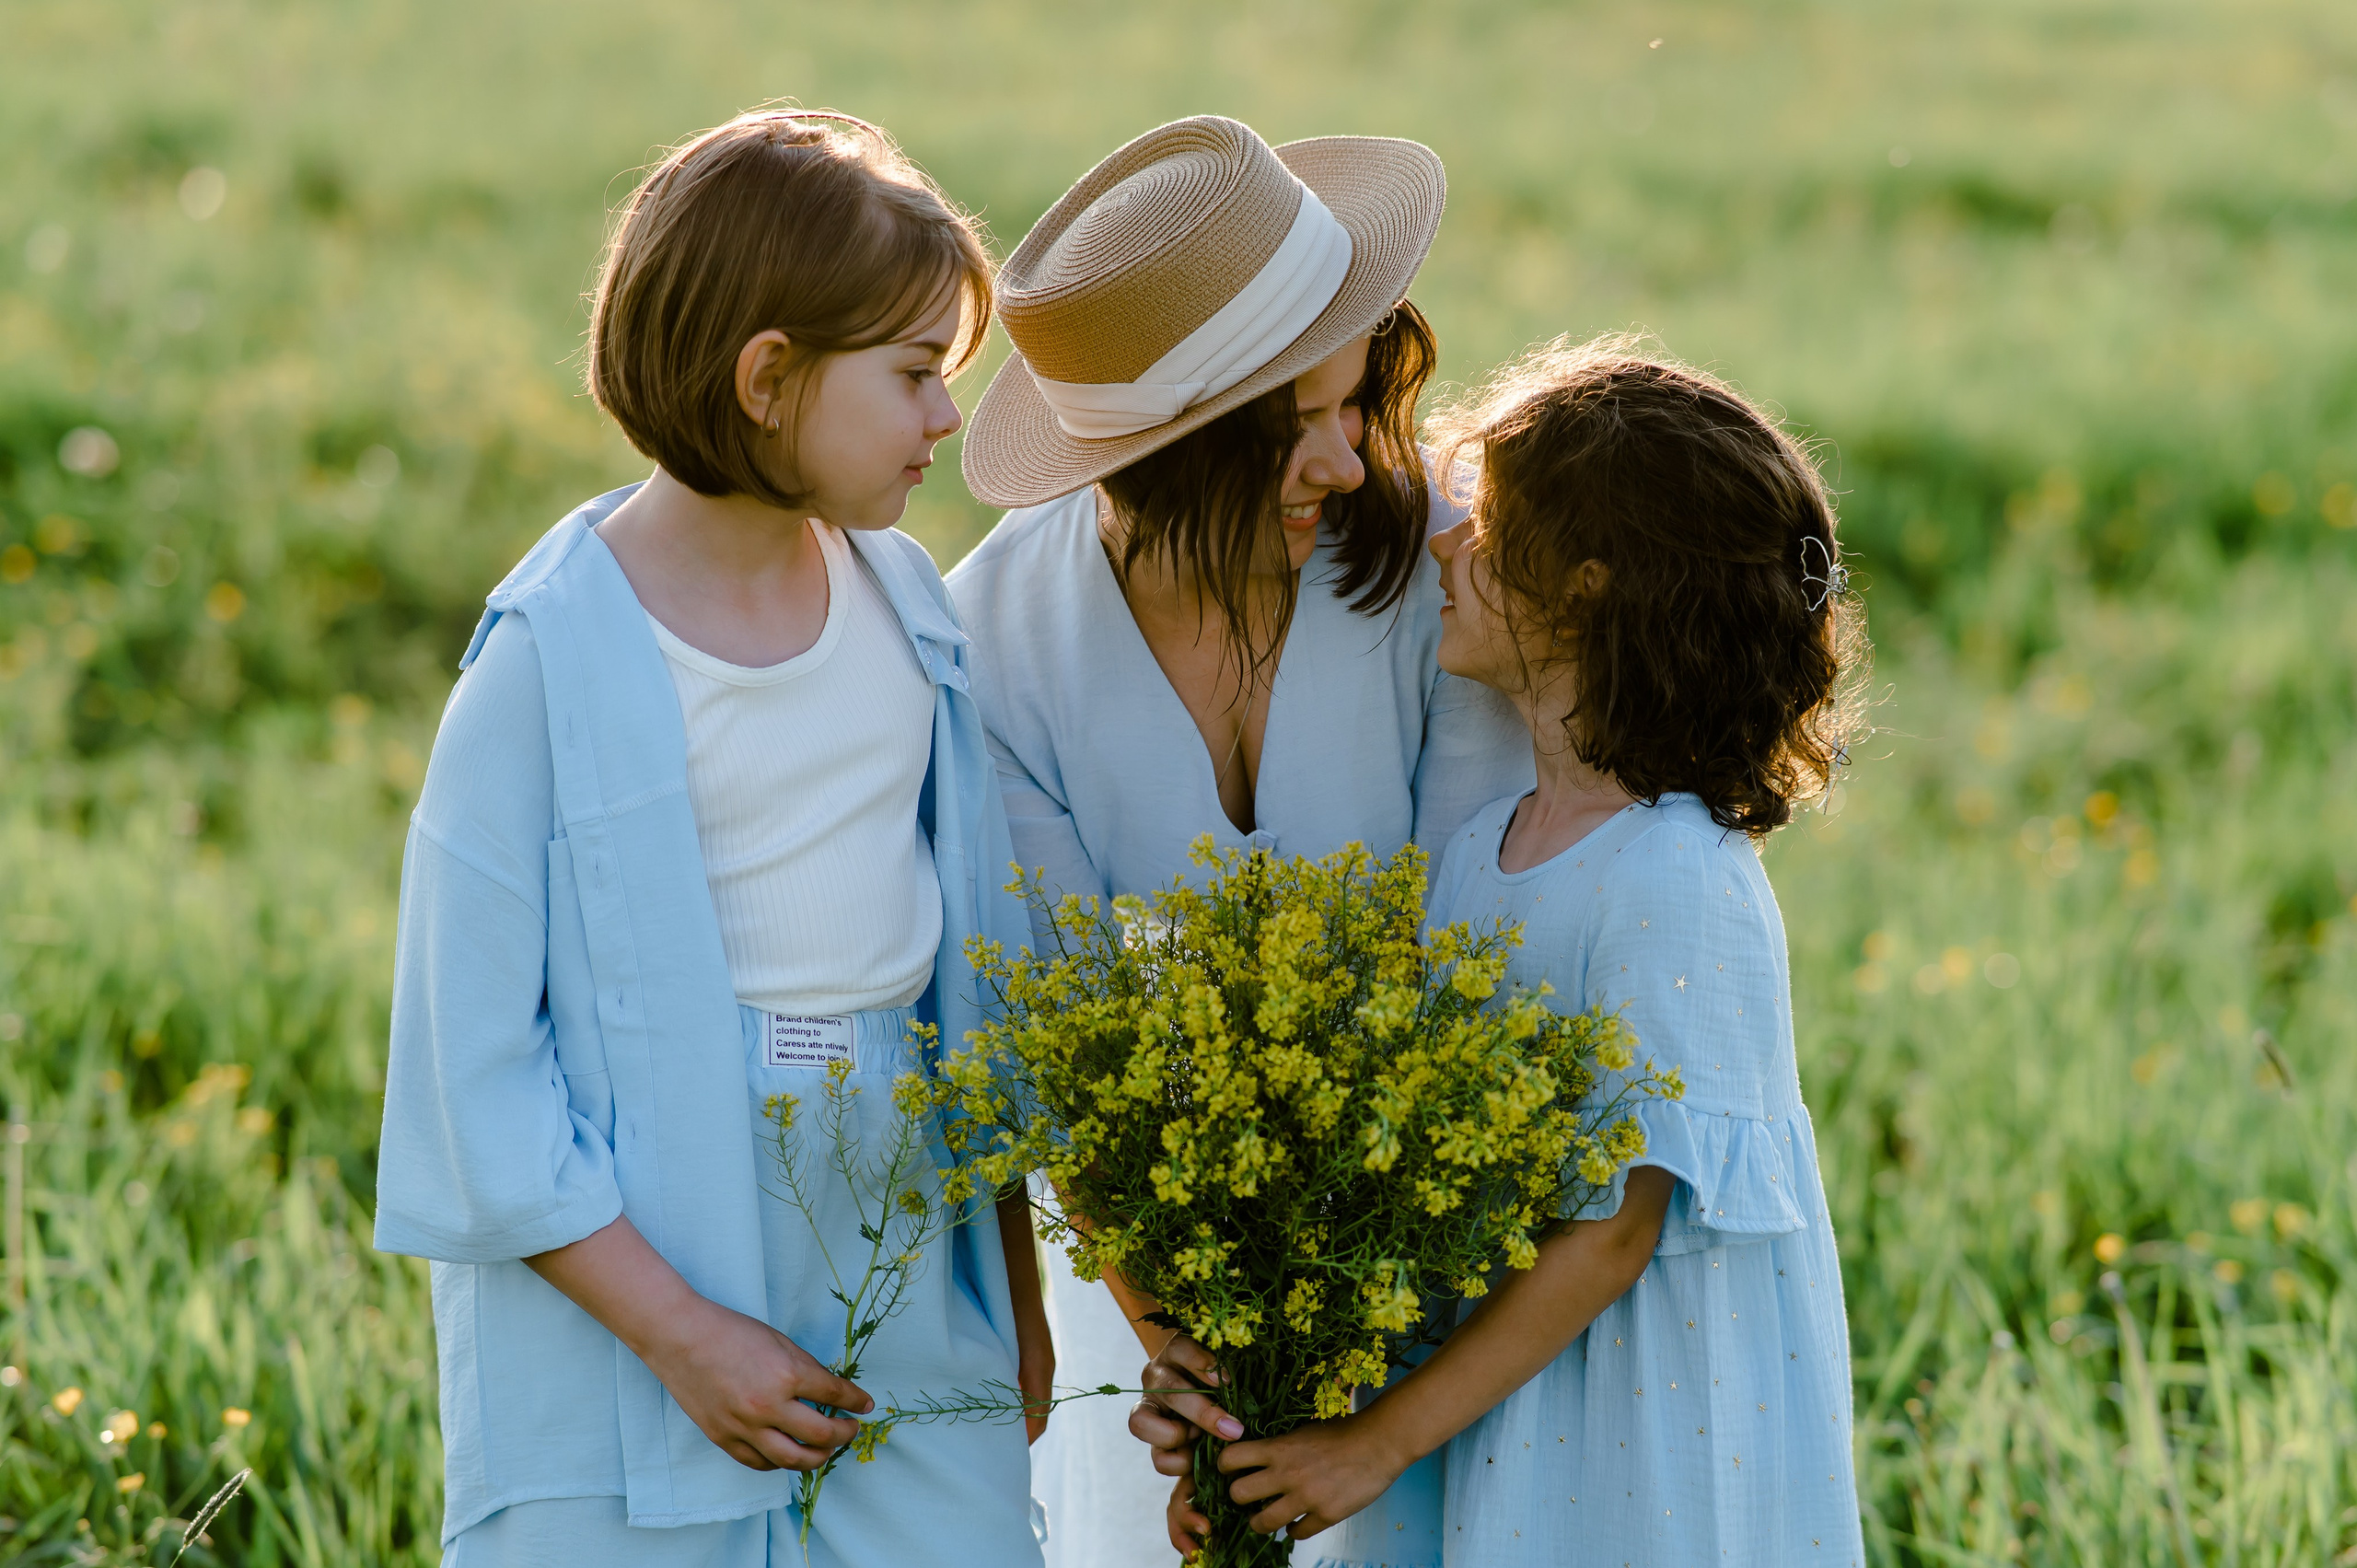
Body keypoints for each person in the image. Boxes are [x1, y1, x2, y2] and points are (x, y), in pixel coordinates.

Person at [372, 110, 1049, 1567]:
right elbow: (469, 1061)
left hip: (900, 1224)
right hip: (643, 1256)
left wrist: (1018, 1296)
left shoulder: (907, 604)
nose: (948, 422)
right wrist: (682, 1336)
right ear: (766, 379)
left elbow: (967, 978)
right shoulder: (549, 660)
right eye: (918, 376)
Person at [946, 116, 1529, 1568]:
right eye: (1298, 427)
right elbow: (1064, 1032)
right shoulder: (995, 641)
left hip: (1434, 1227)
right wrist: (1189, 1361)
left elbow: (1480, 929)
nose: (1347, 459)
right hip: (1158, 1241)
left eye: (1354, 406)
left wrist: (1360, 1294)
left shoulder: (1434, 574)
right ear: (1173, 452)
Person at [1178, 338, 1868, 1565]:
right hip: (1490, 1389)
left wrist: (1376, 1443)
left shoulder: (1675, 874)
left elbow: (1616, 1229)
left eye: (1484, 534)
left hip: (1633, 1421)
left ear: (1587, 586)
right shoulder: (1481, 853)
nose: (1445, 544)